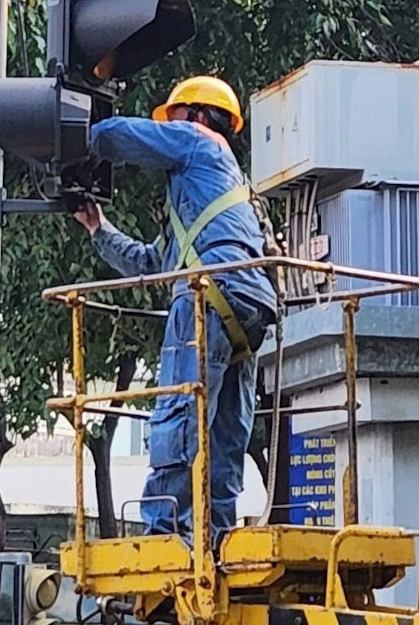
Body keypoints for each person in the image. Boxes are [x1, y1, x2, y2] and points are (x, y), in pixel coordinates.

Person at [73, 75, 278, 549]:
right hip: (251, 307)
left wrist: (73, 132)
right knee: (227, 432)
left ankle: (162, 533)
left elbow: (122, 136)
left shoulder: (198, 142)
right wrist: (99, 228)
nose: (172, 125)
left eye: (176, 116)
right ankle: (217, 538)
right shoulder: (221, 198)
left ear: (199, 117)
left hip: (209, 292)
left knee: (180, 412)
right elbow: (151, 263)